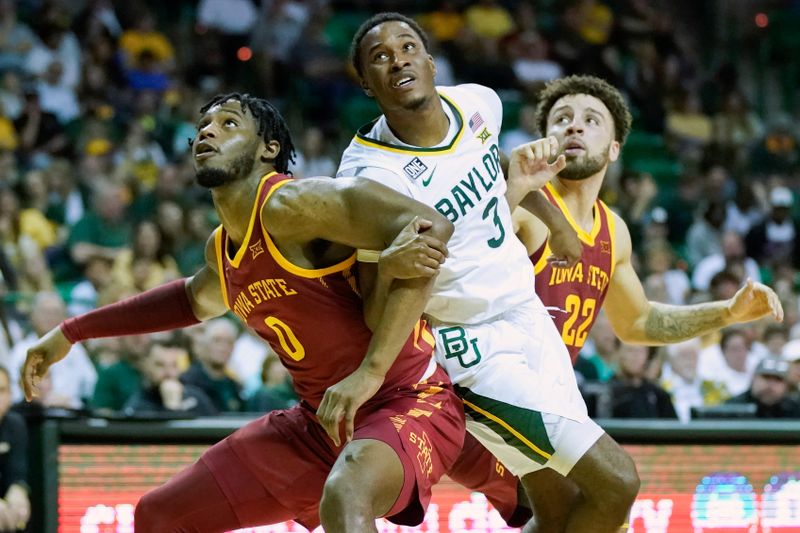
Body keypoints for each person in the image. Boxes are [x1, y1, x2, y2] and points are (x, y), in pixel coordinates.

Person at [21, 92, 523, 531]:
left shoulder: (297, 204)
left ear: (269, 149)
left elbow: (427, 225)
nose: (208, 132)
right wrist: (71, 331)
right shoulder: (224, 249)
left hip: (408, 400)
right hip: (320, 422)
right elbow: (188, 301)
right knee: (159, 516)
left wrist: (371, 369)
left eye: (229, 124)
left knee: (347, 497)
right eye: (203, 127)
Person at [337, 13, 638, 533]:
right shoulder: (369, 177)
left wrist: (555, 223)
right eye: (379, 57)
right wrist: (388, 276)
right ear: (366, 82)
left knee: (560, 505)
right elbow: (370, 303)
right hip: (473, 349)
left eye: (408, 47)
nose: (398, 59)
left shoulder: (479, 102)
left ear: (431, 62)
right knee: (617, 482)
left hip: (528, 315)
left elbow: (494, 167)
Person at [513, 74, 784, 529]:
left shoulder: (613, 231)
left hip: (550, 397)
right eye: (561, 119)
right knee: (609, 491)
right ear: (545, 139)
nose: (574, 127)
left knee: (580, 514)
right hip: (496, 386)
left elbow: (638, 323)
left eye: (590, 120)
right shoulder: (524, 207)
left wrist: (728, 312)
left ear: (615, 147)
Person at [123, 337, 217, 417]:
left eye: (174, 365)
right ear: (146, 366)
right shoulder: (136, 408)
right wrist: (172, 407)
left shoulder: (196, 398)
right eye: (160, 365)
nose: (169, 373)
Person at [0, 366, 30, 533]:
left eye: (2, 390)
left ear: (11, 395)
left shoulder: (15, 425)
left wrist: (18, 492)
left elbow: (17, 473)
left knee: (21, 507)